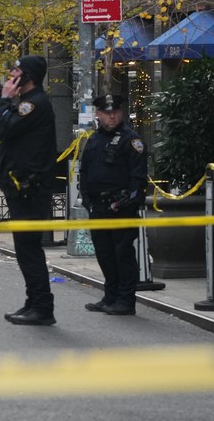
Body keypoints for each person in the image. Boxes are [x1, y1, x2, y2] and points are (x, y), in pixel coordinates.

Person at [0, 55, 60, 327]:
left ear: (28, 76)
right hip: (22, 187)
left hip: (30, 190)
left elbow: (5, 127)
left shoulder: (34, 104)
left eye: (16, 71)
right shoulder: (27, 103)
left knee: (29, 249)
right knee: (25, 250)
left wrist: (4, 99)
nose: (11, 76)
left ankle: (42, 306)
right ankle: (34, 302)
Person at [78, 94, 147, 317]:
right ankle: (110, 296)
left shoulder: (132, 140)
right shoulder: (94, 140)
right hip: (98, 207)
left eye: (115, 112)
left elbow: (138, 178)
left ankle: (126, 300)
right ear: (98, 114)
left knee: (122, 254)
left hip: (121, 208)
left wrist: (126, 201)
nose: (112, 116)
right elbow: (85, 171)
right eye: (107, 113)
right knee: (105, 254)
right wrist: (87, 200)